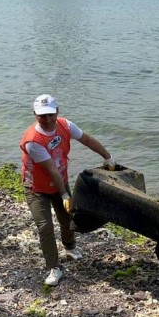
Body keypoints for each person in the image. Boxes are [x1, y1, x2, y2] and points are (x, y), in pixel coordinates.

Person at [20, 94, 116, 286]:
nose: (47, 120)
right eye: (42, 116)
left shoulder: (65, 125)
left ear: (57, 111)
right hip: (36, 188)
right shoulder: (33, 140)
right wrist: (64, 193)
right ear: (34, 115)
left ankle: (70, 246)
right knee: (45, 226)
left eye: (50, 115)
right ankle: (54, 267)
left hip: (59, 181)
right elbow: (51, 169)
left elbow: (87, 139)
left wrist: (107, 157)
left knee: (67, 218)